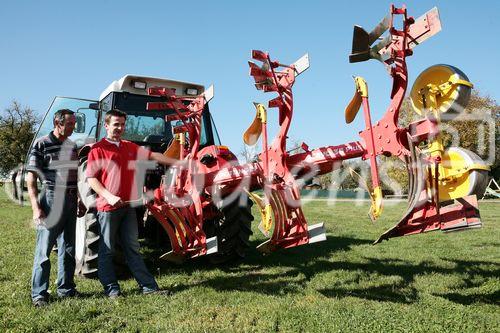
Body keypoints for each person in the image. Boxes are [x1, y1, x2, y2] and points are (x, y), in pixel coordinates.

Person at [86, 109, 172, 298]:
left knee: (132, 247)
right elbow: (92, 179)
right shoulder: (97, 149)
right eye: (116, 124)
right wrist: (108, 196)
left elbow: (154, 156)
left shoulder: (129, 146)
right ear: (106, 125)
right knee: (107, 250)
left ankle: (149, 287)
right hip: (108, 208)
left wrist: (178, 161)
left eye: (123, 124)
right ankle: (112, 289)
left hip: (128, 208)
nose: (120, 128)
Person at [27, 109, 79, 307]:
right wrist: (35, 206)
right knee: (44, 249)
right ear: (58, 123)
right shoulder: (41, 144)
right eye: (70, 124)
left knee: (68, 247)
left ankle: (66, 288)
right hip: (51, 198)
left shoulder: (72, 146)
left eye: (74, 123)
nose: (73, 127)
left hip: (72, 198)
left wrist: (80, 200)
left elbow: (75, 176)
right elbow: (31, 177)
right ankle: (39, 294)